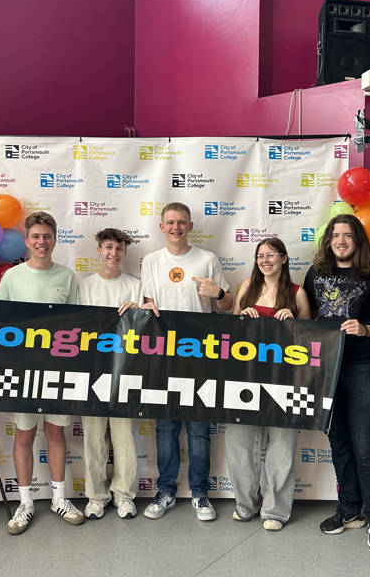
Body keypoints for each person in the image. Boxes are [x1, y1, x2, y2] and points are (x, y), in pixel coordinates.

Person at [302, 213, 370, 552]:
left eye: (347, 235)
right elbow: (306, 319)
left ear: (357, 241)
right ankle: (350, 509)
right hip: (325, 368)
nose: (340, 240)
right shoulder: (316, 273)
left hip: (362, 366)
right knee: (338, 442)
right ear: (328, 241)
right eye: (335, 235)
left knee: (365, 445)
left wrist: (365, 329)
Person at [139, 202, 232, 521]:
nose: (176, 227)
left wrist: (217, 292)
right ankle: (165, 490)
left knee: (198, 428)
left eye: (182, 222)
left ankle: (201, 494)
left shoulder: (207, 259)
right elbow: (148, 304)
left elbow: (227, 305)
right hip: (163, 354)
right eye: (170, 222)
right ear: (161, 227)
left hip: (200, 354)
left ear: (190, 226)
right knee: (165, 427)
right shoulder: (151, 261)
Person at [0, 212, 85, 533]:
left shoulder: (67, 276)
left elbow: (78, 325)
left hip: (58, 371)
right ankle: (26, 503)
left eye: (47, 236)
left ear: (55, 239)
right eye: (35, 237)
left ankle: (60, 499)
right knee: (24, 434)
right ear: (27, 241)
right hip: (21, 371)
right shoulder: (12, 277)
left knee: (56, 433)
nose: (41, 242)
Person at [227, 238, 310, 531]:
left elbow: (311, 341)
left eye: (271, 255)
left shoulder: (297, 293)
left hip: (284, 382)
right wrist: (242, 317)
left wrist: (295, 320)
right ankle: (245, 504)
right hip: (245, 379)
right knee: (239, 443)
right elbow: (231, 332)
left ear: (284, 259)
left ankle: (275, 510)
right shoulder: (247, 286)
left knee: (282, 446)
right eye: (260, 255)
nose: (265, 260)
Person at [78, 228, 143, 520]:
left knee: (123, 436)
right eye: (108, 248)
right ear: (99, 250)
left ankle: (124, 495)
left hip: (125, 372)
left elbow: (146, 331)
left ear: (124, 252)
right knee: (93, 436)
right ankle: (96, 496)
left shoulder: (136, 286)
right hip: (91, 372)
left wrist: (138, 312)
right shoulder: (83, 286)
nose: (113, 254)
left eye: (118, 248)